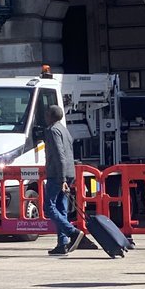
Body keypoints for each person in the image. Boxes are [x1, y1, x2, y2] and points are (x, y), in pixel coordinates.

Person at [43, 104, 84, 256]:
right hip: (68, 171)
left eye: (46, 114)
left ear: (50, 116)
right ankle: (63, 243)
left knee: (49, 207)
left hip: (57, 174)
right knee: (61, 207)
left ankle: (72, 232)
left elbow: (59, 154)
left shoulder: (52, 130)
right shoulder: (64, 130)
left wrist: (62, 179)